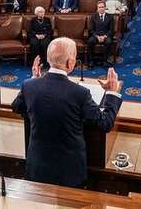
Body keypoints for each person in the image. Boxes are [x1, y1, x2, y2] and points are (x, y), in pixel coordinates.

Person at [12, 37, 121, 187]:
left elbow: (17, 107)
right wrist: (112, 93)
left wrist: (33, 80)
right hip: (69, 170)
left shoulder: (29, 85)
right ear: (70, 63)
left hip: (37, 165)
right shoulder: (80, 93)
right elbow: (105, 124)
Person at [88, 2, 114, 66]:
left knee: (108, 42)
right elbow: (91, 30)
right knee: (90, 41)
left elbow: (111, 30)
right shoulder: (93, 16)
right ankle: (91, 60)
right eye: (99, 7)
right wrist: (97, 37)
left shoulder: (110, 17)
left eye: (102, 7)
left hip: (106, 36)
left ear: (105, 8)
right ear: (97, 9)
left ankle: (105, 61)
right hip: (96, 36)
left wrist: (104, 36)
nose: (101, 8)